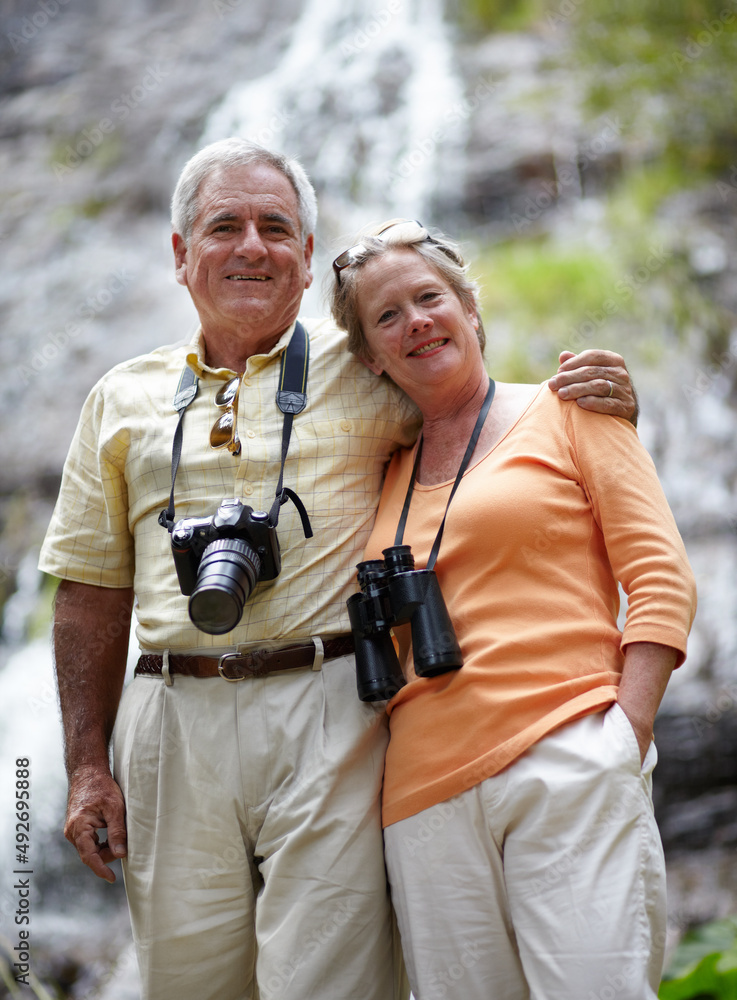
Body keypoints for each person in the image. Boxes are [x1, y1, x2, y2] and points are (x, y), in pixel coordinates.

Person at [39, 138, 637, 1000]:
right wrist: (86, 766)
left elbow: (484, 413)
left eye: (276, 228)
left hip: (329, 708)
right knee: (184, 983)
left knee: (332, 984)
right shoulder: (120, 399)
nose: (253, 246)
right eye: (224, 227)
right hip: (170, 717)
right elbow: (90, 590)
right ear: (179, 255)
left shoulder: (369, 367)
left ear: (307, 257)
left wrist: (600, 405)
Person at [328, 219, 697, 1000]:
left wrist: (621, 734)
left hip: (567, 756)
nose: (416, 322)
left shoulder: (570, 412)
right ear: (368, 356)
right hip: (420, 798)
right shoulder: (372, 474)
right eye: (387, 316)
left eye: (429, 298)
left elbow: (660, 575)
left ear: (469, 308)